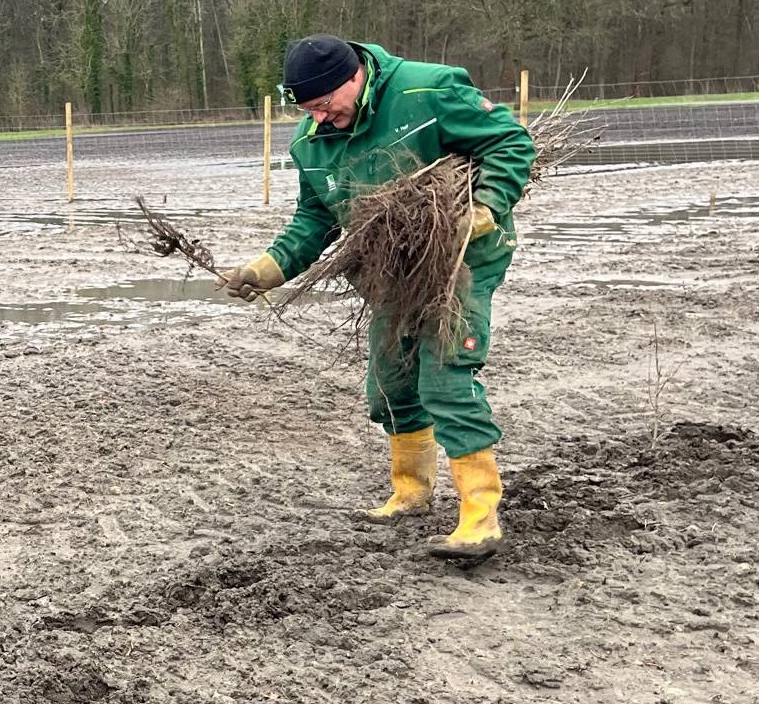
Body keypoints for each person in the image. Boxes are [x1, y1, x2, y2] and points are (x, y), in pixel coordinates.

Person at [221, 35, 535, 560]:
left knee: (445, 373)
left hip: (462, 258)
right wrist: (268, 267)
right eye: (307, 110)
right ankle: (412, 492)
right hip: (391, 269)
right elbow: (316, 217)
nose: (319, 119)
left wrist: (483, 209)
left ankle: (480, 516)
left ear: (353, 79)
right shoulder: (312, 139)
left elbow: (510, 142)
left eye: (324, 105)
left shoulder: (428, 90)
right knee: (389, 380)